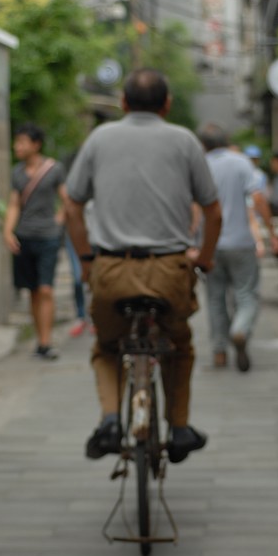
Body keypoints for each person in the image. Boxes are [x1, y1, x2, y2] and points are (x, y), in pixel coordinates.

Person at [65, 68, 222, 463]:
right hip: (169, 272)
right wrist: (203, 259)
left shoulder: (100, 138)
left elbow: (71, 205)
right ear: (167, 104)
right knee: (179, 345)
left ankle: (109, 421)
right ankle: (181, 426)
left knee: (106, 345)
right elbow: (213, 210)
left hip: (111, 271)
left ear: (122, 103)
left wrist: (86, 259)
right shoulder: (184, 141)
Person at [198, 124, 278, 372]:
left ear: (203, 144)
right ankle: (240, 329)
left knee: (215, 298)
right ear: (226, 140)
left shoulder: (200, 164)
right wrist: (271, 232)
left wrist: (192, 242)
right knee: (246, 295)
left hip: (210, 244)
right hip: (241, 242)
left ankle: (219, 351)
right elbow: (257, 198)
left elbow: (192, 206)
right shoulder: (242, 162)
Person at [3, 123, 67, 360]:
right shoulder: (17, 173)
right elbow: (14, 204)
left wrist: (58, 222)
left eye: (22, 142)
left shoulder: (54, 169)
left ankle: (46, 341)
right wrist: (8, 231)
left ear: (36, 144)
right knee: (33, 292)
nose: (17, 146)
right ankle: (40, 341)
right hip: (25, 237)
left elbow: (65, 199)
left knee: (46, 289)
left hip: (47, 237)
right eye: (16, 142)